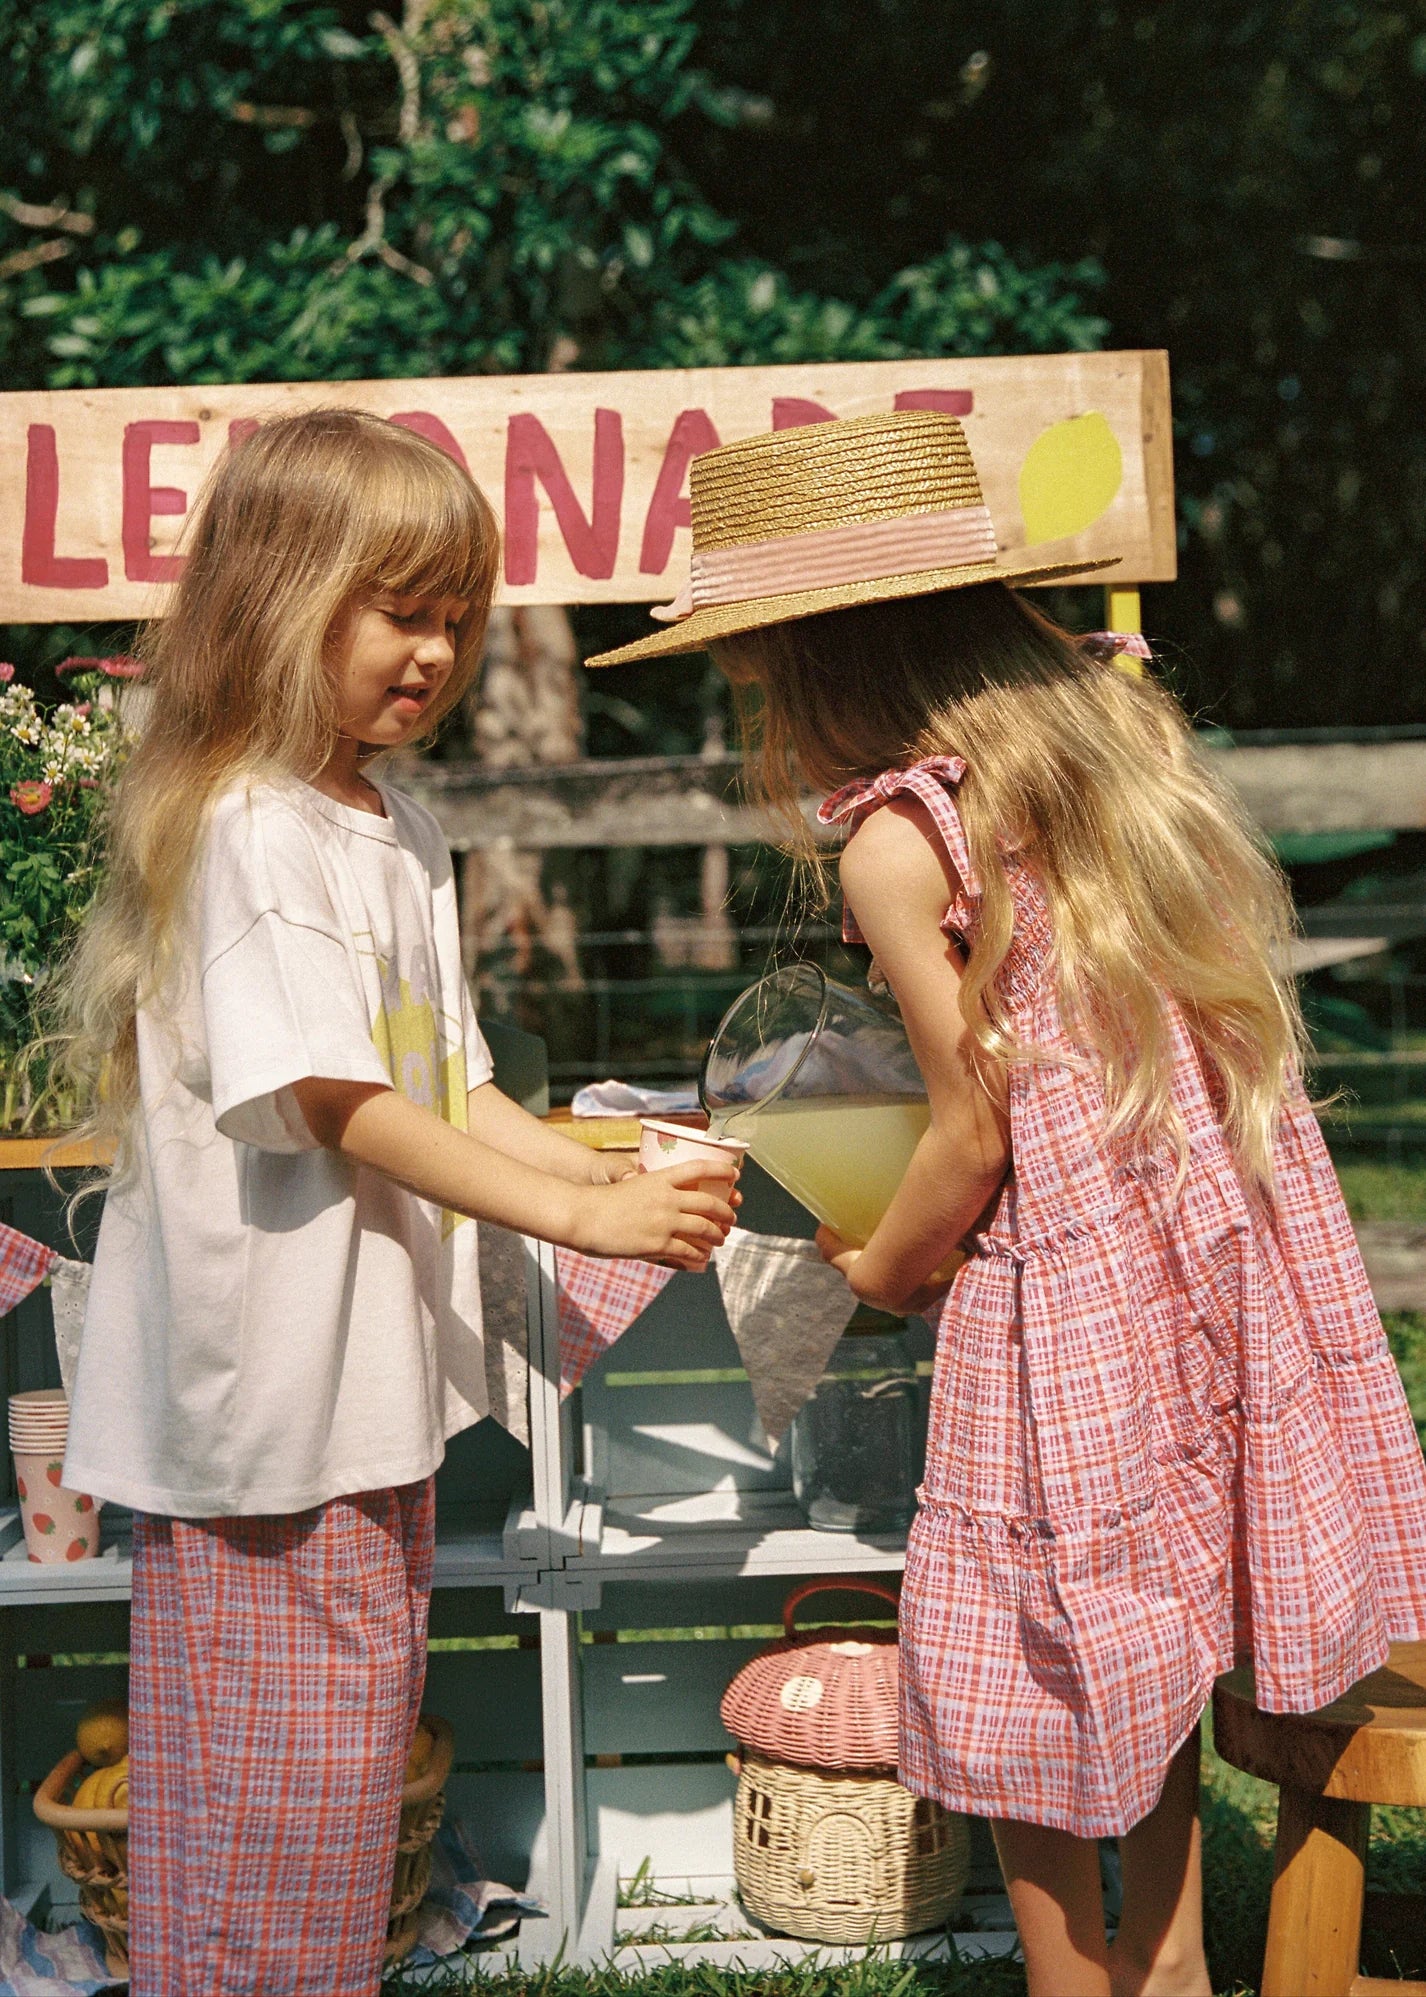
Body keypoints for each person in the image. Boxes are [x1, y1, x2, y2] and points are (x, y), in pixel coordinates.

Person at [587, 409, 1426, 1997]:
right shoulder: (1104, 757)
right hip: (1195, 1254)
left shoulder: (903, 839)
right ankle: (1168, 1962)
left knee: (1040, 1651)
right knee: (1147, 1628)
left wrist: (881, 1260)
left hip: (1060, 1296)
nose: (762, 719)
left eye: (758, 681)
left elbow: (970, 1117)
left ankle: (1070, 1977)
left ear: (830, 659)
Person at [55, 408, 738, 1997]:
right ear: (279, 598)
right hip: (261, 1414)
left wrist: (597, 1168)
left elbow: (441, 1083)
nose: (432, 651)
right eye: (397, 609)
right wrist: (575, 1224)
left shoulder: (388, 824)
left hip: (357, 1399)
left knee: (337, 1781)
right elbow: (334, 1102)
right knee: (261, 1803)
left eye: (454, 616)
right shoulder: (250, 828)